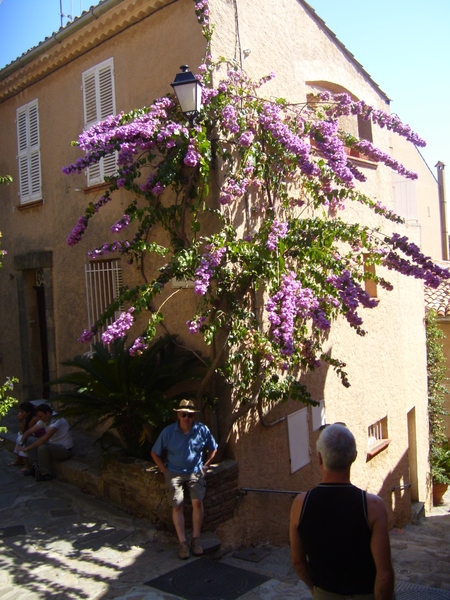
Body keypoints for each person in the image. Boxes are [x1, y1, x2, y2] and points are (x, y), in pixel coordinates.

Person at [289, 423, 395, 600]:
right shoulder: (373, 507)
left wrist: (315, 590)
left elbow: (298, 562)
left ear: (319, 458)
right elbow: (384, 575)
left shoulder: (301, 504)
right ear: (354, 456)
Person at [151, 399, 217, 560]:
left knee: (197, 503)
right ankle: (183, 543)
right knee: (177, 505)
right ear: (178, 415)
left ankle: (196, 539)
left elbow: (213, 448)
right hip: (174, 472)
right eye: (184, 414)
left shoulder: (202, 430)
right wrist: (164, 470)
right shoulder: (168, 432)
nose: (187, 417)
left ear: (194, 416)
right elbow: (155, 453)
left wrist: (206, 466)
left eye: (190, 415)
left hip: (195, 472)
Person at [20, 403, 74, 482]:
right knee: (29, 439)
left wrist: (28, 448)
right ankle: (35, 467)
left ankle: (46, 473)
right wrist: (21, 444)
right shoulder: (44, 419)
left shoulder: (57, 420)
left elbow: (44, 439)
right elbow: (29, 432)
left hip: (64, 450)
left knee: (42, 447)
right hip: (52, 445)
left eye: (41, 416)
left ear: (48, 413)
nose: (39, 419)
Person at [10, 401, 45, 469]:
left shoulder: (34, 419)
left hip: (40, 438)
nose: (20, 414)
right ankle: (19, 460)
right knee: (19, 437)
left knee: (24, 440)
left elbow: (26, 432)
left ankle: (27, 464)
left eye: (22, 412)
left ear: (28, 412)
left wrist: (20, 421)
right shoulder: (29, 417)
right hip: (34, 436)